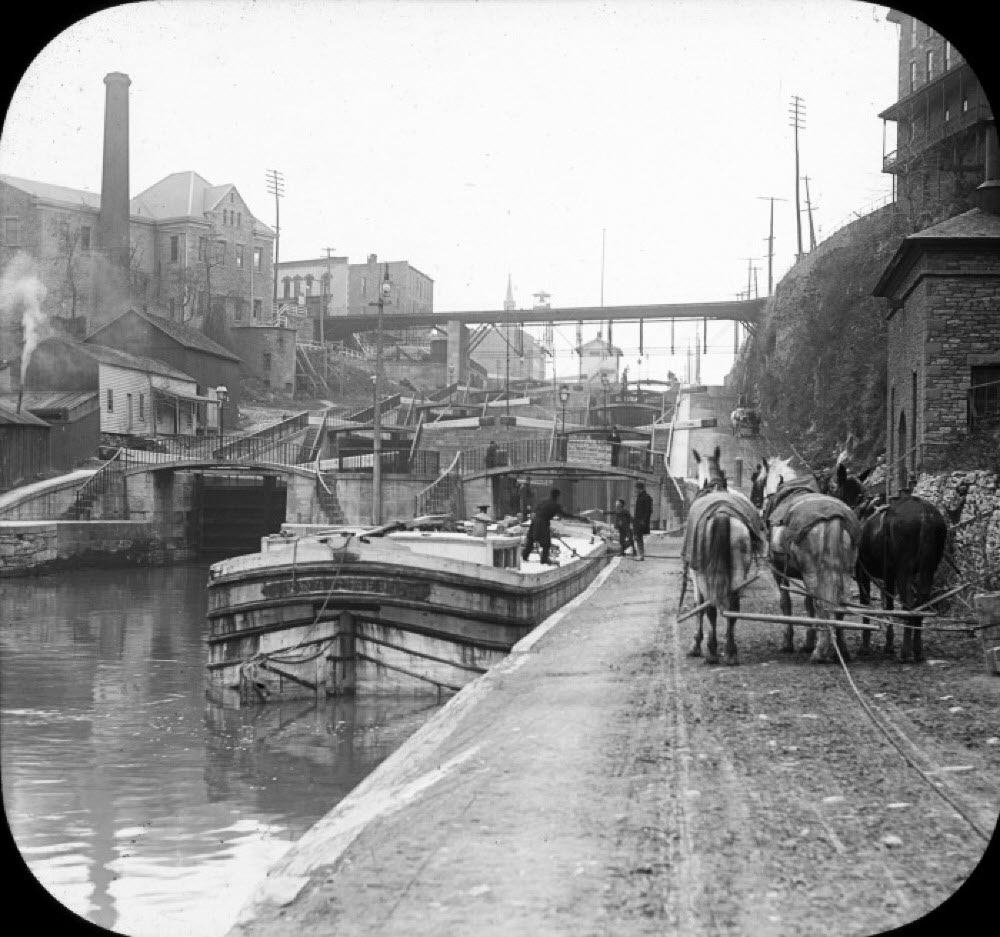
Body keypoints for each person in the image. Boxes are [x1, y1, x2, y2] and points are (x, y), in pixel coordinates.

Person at [522, 488, 570, 565]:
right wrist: (580, 518)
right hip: (542, 523)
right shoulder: (555, 505)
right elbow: (565, 515)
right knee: (546, 543)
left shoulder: (543, 501)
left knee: (530, 540)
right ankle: (544, 559)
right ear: (557, 496)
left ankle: (524, 556)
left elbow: (537, 510)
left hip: (534, 521)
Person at [633, 481, 653, 561]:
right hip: (639, 521)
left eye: (635, 488)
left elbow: (648, 511)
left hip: (641, 521)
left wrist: (643, 521)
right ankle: (640, 554)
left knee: (639, 537)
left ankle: (641, 555)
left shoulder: (645, 497)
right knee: (638, 537)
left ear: (638, 488)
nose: (634, 490)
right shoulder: (642, 497)